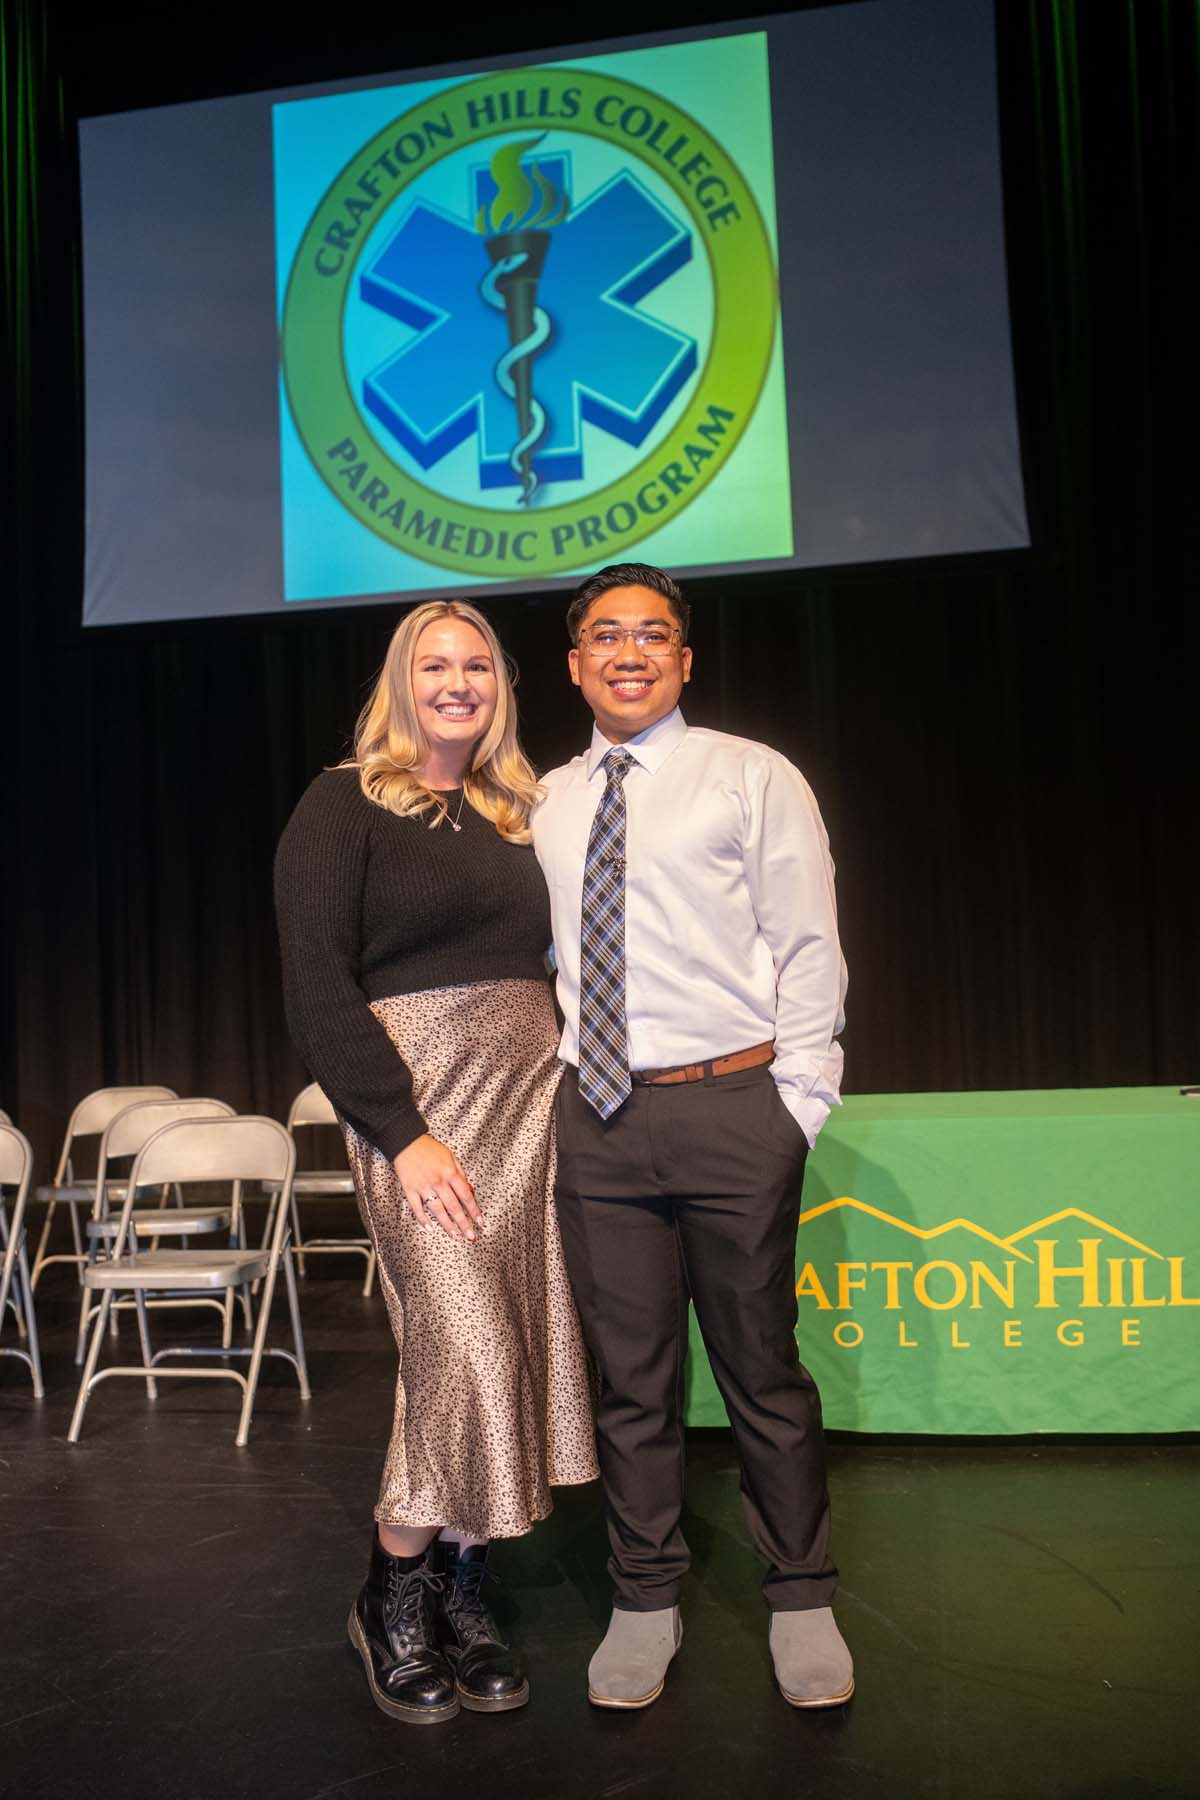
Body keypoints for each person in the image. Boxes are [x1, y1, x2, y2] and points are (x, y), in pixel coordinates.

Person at [531, 563, 852, 1711]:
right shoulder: (552, 798)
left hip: (732, 1106)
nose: (629, 652)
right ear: (574, 664)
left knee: (763, 1370)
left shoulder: (749, 775)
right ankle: (645, 1596)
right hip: (599, 1117)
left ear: (684, 659)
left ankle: (802, 1593)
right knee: (632, 1380)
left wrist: (797, 1102)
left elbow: (809, 943)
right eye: (605, 635)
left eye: (653, 636)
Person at [274, 599, 597, 1727]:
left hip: (528, 1102)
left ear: (502, 684)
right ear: (399, 681)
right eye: (433, 663)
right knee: (462, 1346)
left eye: (475, 664)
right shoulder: (341, 802)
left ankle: (464, 1588)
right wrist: (400, 1134)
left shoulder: (525, 813)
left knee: (508, 1345)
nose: (455, 681)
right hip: (421, 1116)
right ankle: (391, 1589)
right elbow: (317, 988)